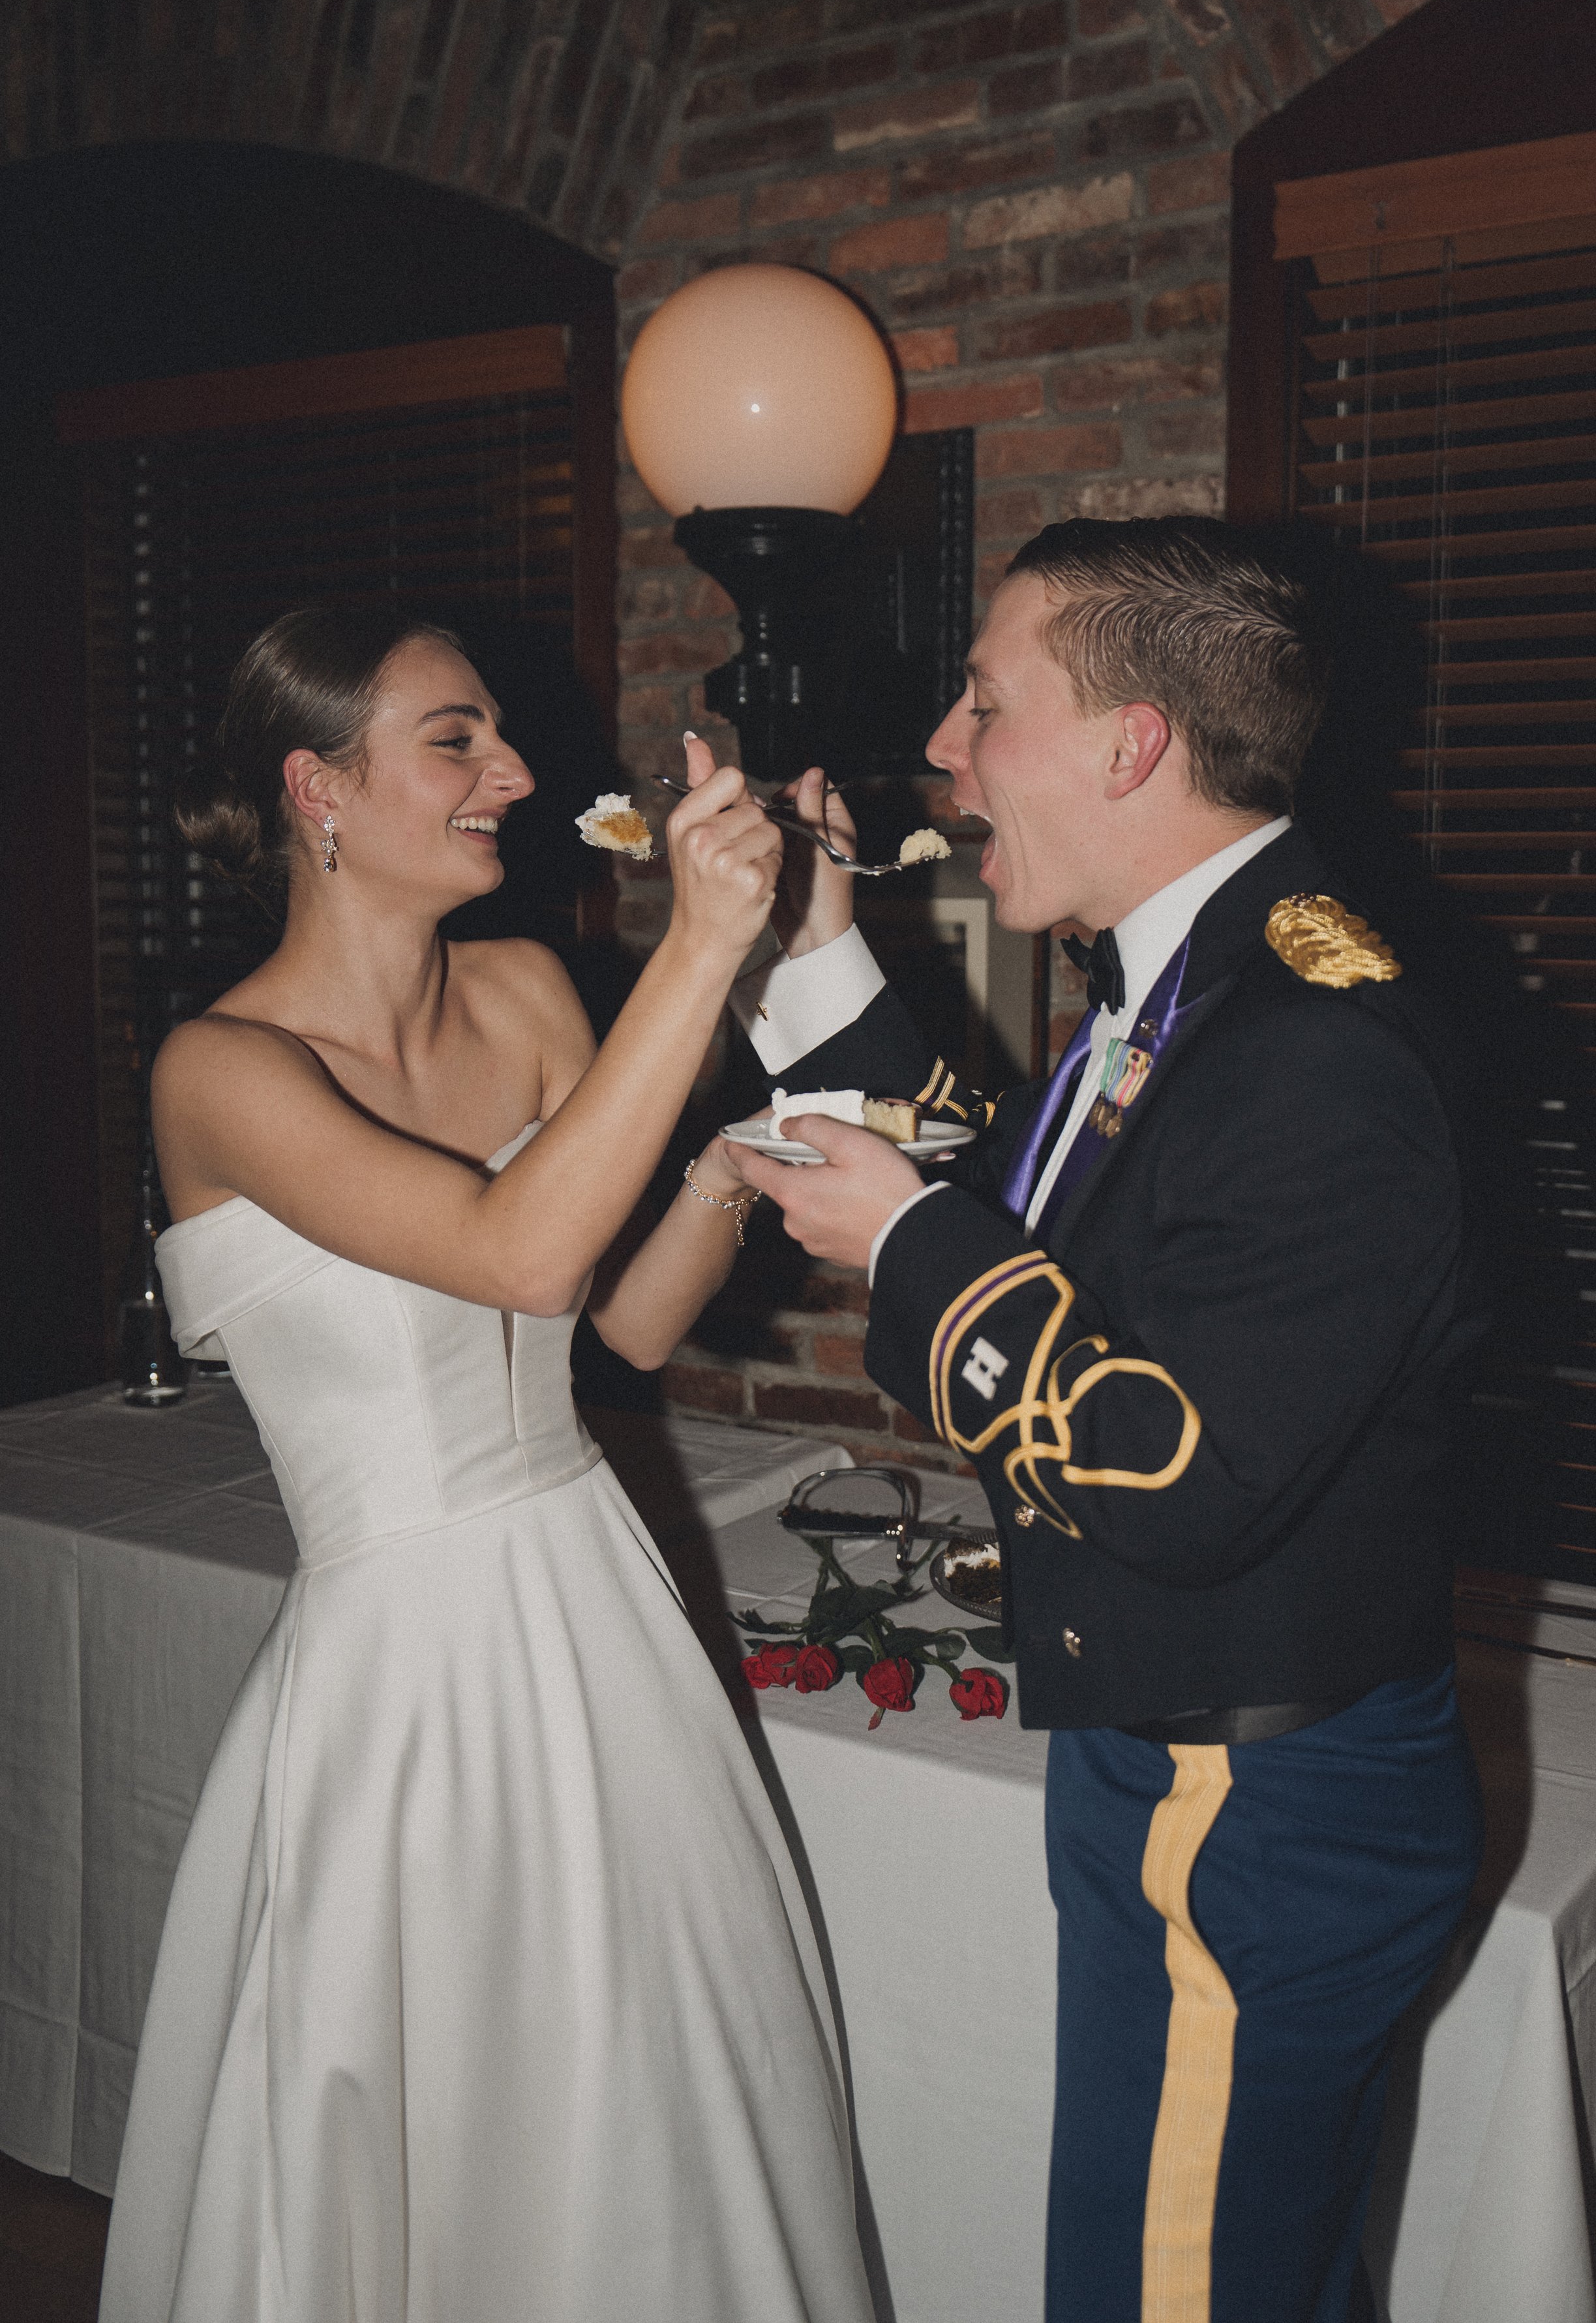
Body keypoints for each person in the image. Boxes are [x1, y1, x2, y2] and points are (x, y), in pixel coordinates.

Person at [723, 519, 1487, 2323]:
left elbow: (1177, 1473)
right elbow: (1025, 1202)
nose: (942, 749)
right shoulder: (1205, 975)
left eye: (986, 705)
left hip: (1248, 1797)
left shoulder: (1314, 1037)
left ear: (1129, 743)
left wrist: (904, 1240)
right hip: (1195, 1758)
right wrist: (826, 953)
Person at [98, 608, 876, 2323]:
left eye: (499, 737)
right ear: (319, 786)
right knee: (456, 2112)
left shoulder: (524, 989)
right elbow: (512, 1255)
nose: (513, 776)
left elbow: (624, 1327)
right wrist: (699, 946)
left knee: (650, 2102)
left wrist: (729, 1173)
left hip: (596, 1608)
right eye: (455, 741)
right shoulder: (220, 1073)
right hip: (407, 1671)